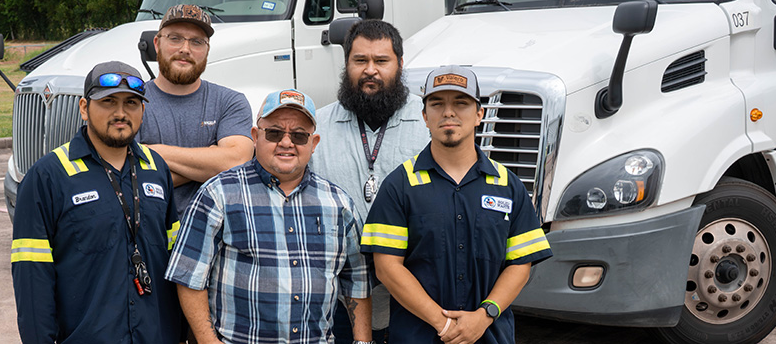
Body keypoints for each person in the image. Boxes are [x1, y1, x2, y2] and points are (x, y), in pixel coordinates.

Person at [361, 66, 553, 344]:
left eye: (461, 103)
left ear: (479, 115)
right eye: (437, 104)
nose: (448, 112)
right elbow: (387, 267)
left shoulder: (507, 185)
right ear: (425, 117)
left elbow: (520, 263)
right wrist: (445, 325)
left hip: (490, 335)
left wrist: (485, 315)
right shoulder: (400, 184)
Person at [165, 89, 374, 344]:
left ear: (314, 143)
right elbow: (188, 277)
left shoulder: (339, 203)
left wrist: (363, 341)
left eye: (299, 135)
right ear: (255, 136)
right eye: (274, 133)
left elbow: (357, 280)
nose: (287, 142)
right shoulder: (218, 193)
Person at [11, 61, 182, 344]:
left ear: (142, 110)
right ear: (83, 108)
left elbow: (176, 261)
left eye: (131, 103)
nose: (120, 113)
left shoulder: (156, 168)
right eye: (108, 102)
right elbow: (32, 279)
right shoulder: (48, 176)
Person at [310, 19, 428, 342]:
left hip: (415, 294)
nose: (370, 70)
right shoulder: (317, 126)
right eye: (360, 60)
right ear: (346, 64)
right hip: (336, 299)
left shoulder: (427, 121)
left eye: (381, 61)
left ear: (400, 65)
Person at [140, 4, 254, 216]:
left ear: (207, 49)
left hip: (215, 238)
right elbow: (121, 176)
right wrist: (210, 162)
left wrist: (147, 151)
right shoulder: (133, 103)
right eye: (175, 38)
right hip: (146, 236)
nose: (185, 49)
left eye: (197, 41)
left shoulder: (230, 102)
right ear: (157, 43)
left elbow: (237, 163)